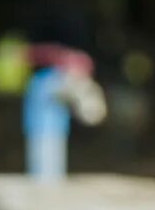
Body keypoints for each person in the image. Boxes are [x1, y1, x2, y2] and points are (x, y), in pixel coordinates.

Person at [22, 44, 107, 182]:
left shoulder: (46, 80)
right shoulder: (51, 81)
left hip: (54, 130)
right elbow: (83, 102)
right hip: (43, 131)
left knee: (52, 169)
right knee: (45, 171)